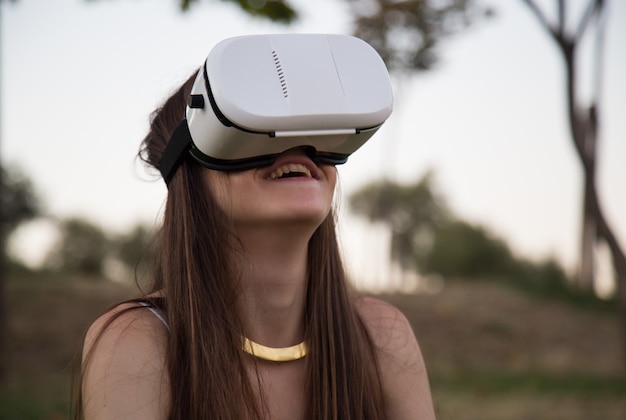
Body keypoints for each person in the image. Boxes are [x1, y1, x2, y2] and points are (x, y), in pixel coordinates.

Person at [74, 51, 436, 419]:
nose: (294, 146)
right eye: (251, 128)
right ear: (190, 168)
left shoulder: (381, 336)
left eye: (314, 130)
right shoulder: (140, 341)